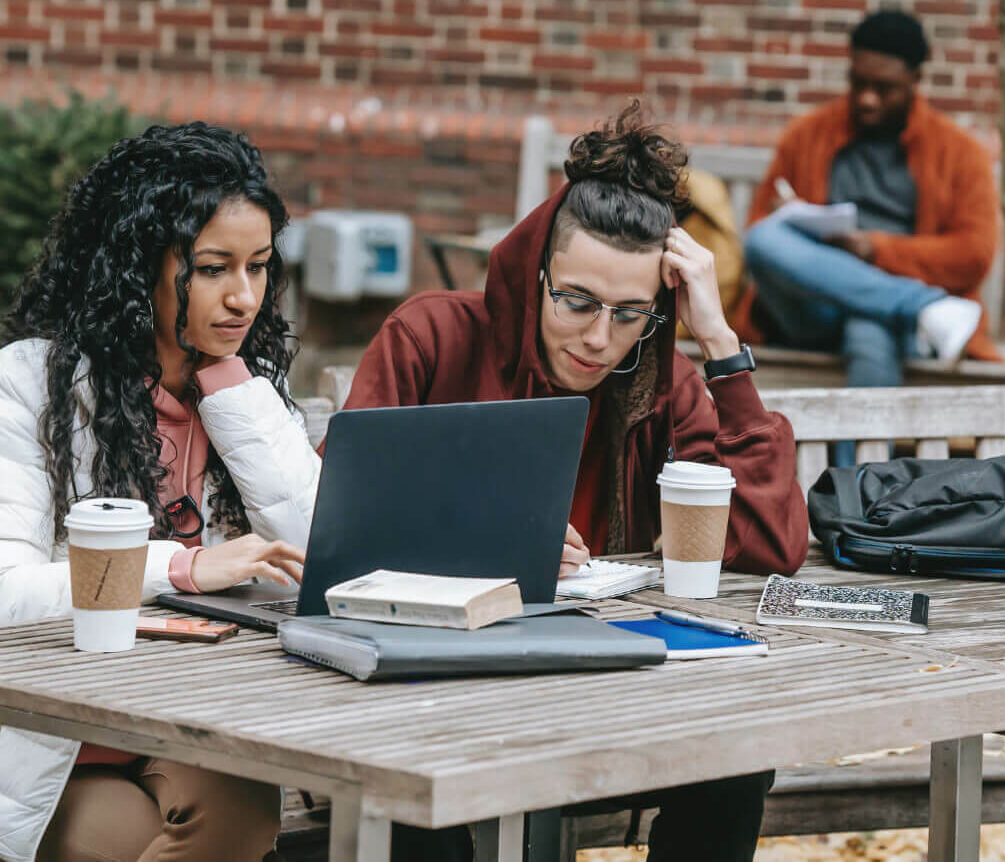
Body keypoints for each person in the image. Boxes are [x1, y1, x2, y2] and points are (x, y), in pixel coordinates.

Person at [343, 101, 808, 862]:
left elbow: (772, 547)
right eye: (578, 302)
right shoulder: (432, 337)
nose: (599, 338)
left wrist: (721, 346)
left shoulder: (662, 380)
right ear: (538, 274)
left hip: (609, 698)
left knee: (737, 757)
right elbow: (340, 524)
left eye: (631, 313)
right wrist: (486, 543)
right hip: (436, 700)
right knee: (409, 800)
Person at [0, 123, 319, 862]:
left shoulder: (244, 391)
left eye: (259, 268)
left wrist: (234, 391)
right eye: (211, 269)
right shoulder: (31, 383)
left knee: (241, 808)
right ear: (141, 266)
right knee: (142, 843)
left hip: (180, 721)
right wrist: (180, 568)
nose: (243, 298)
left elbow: (317, 546)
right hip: (39, 752)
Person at [737, 9, 1000, 462]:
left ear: (916, 79)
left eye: (885, 88)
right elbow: (762, 235)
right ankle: (926, 308)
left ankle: (849, 501)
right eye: (858, 83)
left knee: (870, 327)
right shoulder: (809, 135)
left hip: (890, 330)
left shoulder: (960, 153)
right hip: (811, 309)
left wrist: (872, 248)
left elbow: (973, 255)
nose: (867, 99)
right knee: (763, 238)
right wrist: (796, 220)